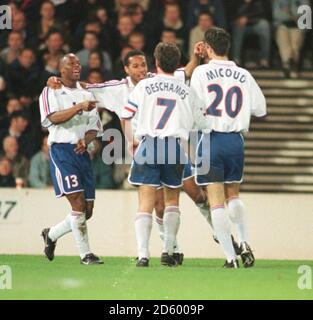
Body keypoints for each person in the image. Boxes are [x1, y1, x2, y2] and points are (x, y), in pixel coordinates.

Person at [191, 27, 266, 268]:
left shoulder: (201, 73)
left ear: (208, 48)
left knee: (215, 201)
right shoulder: (244, 74)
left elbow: (192, 107)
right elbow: (261, 109)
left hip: (211, 139)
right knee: (233, 194)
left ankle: (230, 257)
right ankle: (243, 241)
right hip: (235, 140)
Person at [121, 42, 202, 267]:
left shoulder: (143, 86)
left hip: (148, 145)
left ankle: (143, 255)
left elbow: (126, 115)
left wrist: (131, 142)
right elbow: (200, 120)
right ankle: (168, 251)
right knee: (172, 202)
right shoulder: (186, 90)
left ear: (156, 62)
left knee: (145, 203)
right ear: (176, 63)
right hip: (174, 147)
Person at [39, 53, 103, 265]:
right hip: (62, 152)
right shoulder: (51, 91)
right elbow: (51, 118)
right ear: (61, 69)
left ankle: (52, 234)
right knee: (77, 203)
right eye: (71, 64)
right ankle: (86, 255)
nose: (77, 66)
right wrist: (77, 107)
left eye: (78, 63)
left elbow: (95, 128)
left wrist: (86, 140)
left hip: (81, 152)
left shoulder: (87, 93)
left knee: (87, 211)